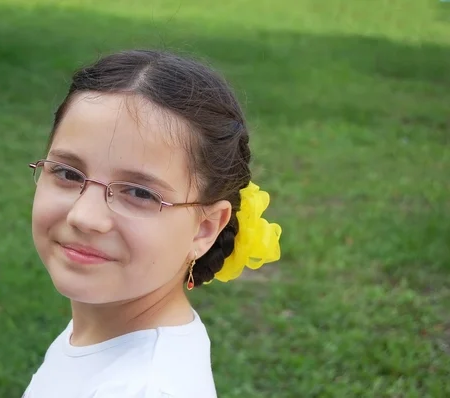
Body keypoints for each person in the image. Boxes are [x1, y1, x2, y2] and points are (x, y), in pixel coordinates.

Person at [22, 49, 281, 398]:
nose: (84, 216)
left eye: (140, 193)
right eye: (68, 173)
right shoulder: (108, 334)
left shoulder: (141, 389)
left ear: (205, 228)